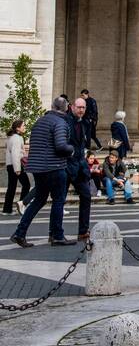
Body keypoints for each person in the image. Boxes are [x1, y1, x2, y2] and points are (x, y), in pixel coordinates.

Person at [9, 98, 74, 247]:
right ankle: (57, 236)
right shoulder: (60, 123)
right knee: (58, 200)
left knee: (39, 200)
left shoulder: (40, 121)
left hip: (38, 167)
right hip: (55, 166)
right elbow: (60, 146)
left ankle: (20, 233)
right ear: (66, 109)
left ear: (52, 107)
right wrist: (72, 149)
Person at [64, 97, 93, 241]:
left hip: (80, 167)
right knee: (59, 200)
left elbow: (83, 144)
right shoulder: (66, 122)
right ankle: (54, 233)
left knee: (87, 196)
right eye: (79, 107)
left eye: (83, 107)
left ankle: (83, 230)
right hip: (66, 165)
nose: (81, 110)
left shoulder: (86, 123)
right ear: (72, 107)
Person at [4, 120, 32, 215]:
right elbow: (15, 154)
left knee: (11, 187)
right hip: (16, 165)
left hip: (10, 165)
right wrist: (17, 169)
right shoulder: (16, 138)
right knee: (26, 185)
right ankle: (22, 205)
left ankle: (7, 210)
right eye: (23, 126)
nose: (24, 127)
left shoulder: (11, 137)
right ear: (17, 128)